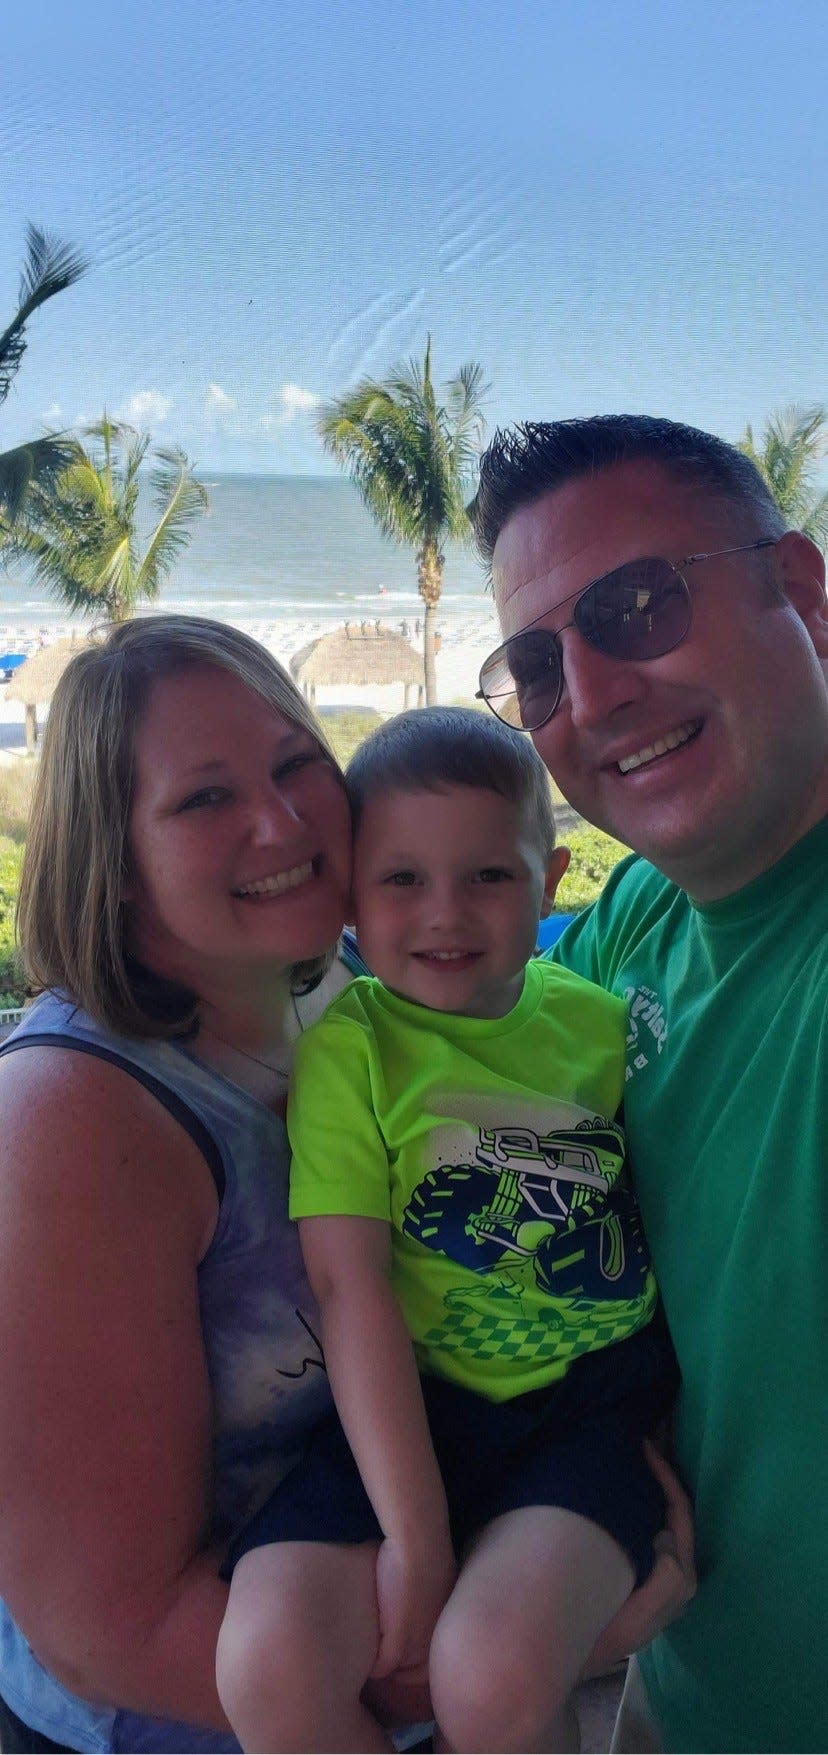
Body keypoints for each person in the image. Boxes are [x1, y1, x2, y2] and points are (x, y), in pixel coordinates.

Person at [215, 707, 679, 1755]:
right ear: (348, 896)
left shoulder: (600, 1026)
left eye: (489, 877)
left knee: (491, 1674)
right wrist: (418, 1537)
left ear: (551, 877)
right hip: (411, 1404)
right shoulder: (357, 1051)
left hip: (588, 1406)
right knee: (268, 1663)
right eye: (401, 880)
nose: (445, 915)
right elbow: (351, 1290)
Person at [471, 415, 828, 1755]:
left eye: (636, 605)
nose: (596, 692)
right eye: (539, 664)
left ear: (800, 594)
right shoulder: (632, 922)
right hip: (677, 1694)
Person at [0, 614, 357, 1753]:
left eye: (297, 762)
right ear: (116, 858)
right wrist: (469, 1673)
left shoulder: (343, 984)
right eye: (205, 799)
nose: (281, 819)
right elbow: (112, 1626)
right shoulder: (75, 1121)